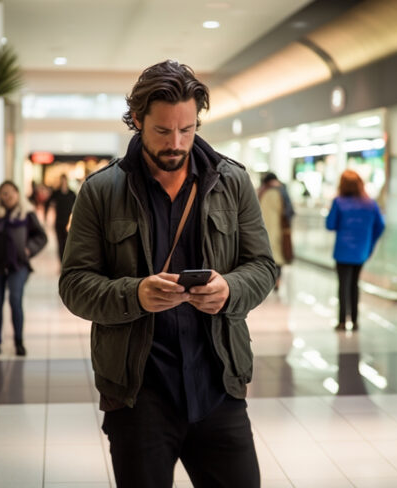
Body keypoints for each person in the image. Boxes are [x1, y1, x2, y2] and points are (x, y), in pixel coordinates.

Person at [58, 60, 276, 488]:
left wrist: (230, 289)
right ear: (137, 120)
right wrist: (135, 295)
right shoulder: (101, 191)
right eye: (162, 131)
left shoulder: (231, 182)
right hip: (138, 393)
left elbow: (264, 266)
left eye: (188, 129)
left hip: (218, 384)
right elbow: (74, 285)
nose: (176, 143)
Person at [0, 181, 47, 356]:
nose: (6, 196)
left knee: (15, 301)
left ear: (17, 193)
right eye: (3, 193)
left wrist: (29, 248)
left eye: (9, 192)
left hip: (18, 264)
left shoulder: (26, 214)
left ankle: (19, 342)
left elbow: (41, 236)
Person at [326, 170, 385, 332]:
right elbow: (380, 225)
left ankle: (342, 321)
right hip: (361, 251)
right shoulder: (370, 204)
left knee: (343, 285)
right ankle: (355, 320)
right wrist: (370, 242)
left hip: (343, 251)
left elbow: (330, 225)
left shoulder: (338, 202)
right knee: (354, 284)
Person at [257, 172, 295, 288]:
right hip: (278, 229)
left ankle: (266, 281)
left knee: (266, 254)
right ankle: (277, 280)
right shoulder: (282, 191)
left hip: (262, 228)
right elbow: (290, 212)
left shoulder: (261, 191)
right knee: (279, 255)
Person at [47, 173, 76, 263]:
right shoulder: (56, 193)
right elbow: (47, 203)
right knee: (60, 244)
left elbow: (77, 207)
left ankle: (66, 263)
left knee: (68, 244)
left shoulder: (72, 194)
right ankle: (61, 263)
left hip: (69, 223)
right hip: (59, 222)